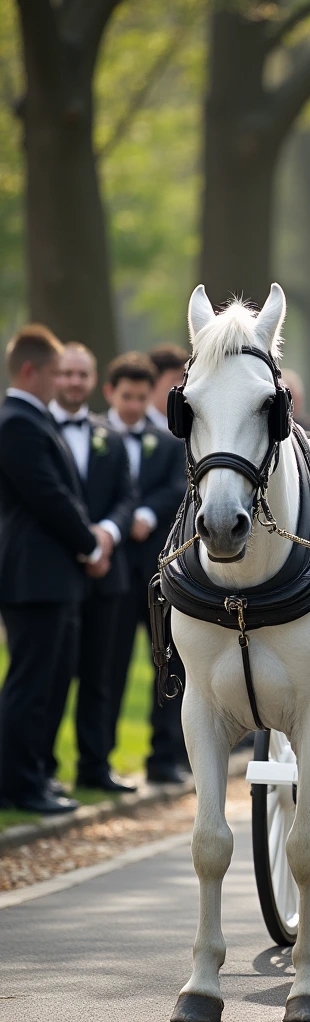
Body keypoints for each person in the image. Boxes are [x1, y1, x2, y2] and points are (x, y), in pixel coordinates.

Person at [0, 326, 115, 814]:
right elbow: (47, 496)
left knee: (48, 682)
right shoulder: (17, 422)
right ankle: (17, 784)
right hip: (34, 576)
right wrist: (91, 545)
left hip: (51, 575)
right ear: (30, 371)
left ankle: (35, 776)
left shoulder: (29, 418)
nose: (57, 382)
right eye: (52, 372)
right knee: (31, 683)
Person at [46, 343, 137, 793]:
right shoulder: (36, 431)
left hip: (108, 574)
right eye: (66, 374)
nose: (73, 382)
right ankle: (41, 768)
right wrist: (84, 543)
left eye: (81, 375)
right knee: (51, 675)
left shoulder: (110, 437)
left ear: (93, 381)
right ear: (52, 376)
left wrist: (107, 534)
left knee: (103, 675)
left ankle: (95, 766)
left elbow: (126, 497)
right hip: (55, 570)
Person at [104, 353, 189, 784]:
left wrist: (149, 515)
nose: (135, 404)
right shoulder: (98, 437)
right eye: (127, 396)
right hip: (113, 571)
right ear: (111, 394)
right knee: (109, 664)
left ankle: (164, 755)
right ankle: (98, 758)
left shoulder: (168, 442)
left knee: (168, 661)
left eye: (142, 395)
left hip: (156, 569)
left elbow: (177, 487)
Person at [146, 344, 188, 432]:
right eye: (176, 379)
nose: (183, 386)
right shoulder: (138, 427)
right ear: (154, 381)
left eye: (185, 379)